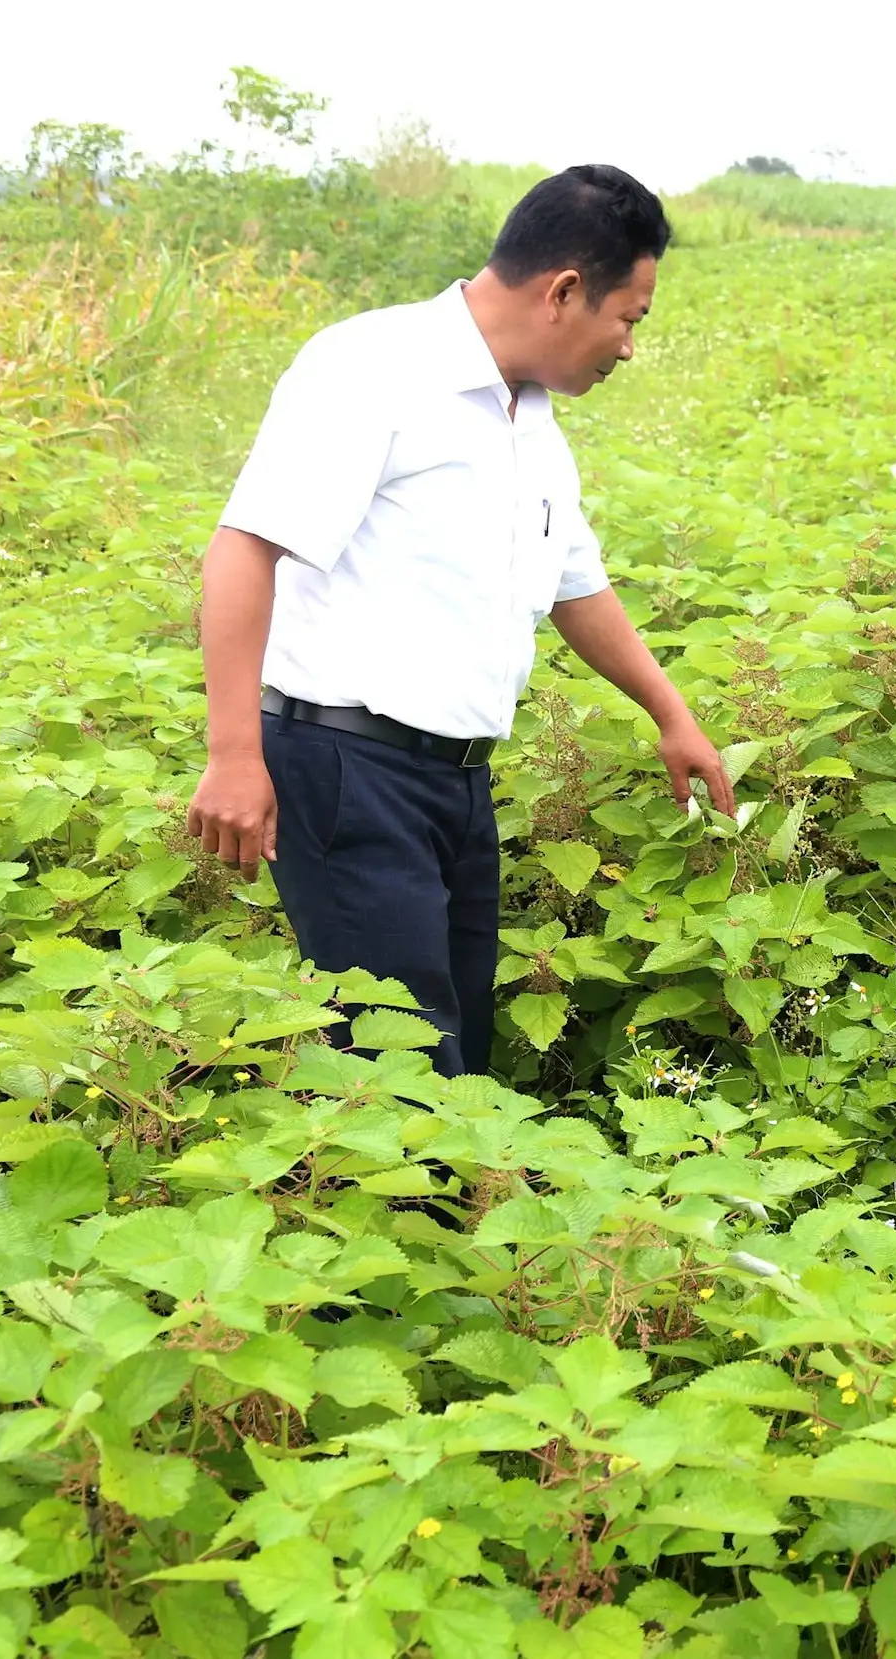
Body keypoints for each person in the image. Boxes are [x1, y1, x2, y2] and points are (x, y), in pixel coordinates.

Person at [185, 165, 737, 1077]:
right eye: (629, 318)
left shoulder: (531, 417)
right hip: (347, 769)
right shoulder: (373, 369)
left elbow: (575, 586)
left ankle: (448, 1209)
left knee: (456, 1049)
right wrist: (234, 754)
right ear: (564, 291)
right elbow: (246, 550)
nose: (630, 346)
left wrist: (671, 714)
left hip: (456, 779)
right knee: (400, 1065)